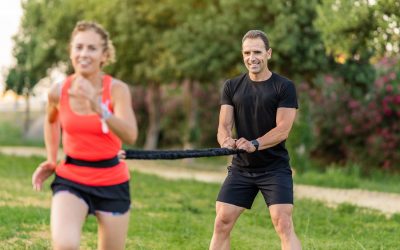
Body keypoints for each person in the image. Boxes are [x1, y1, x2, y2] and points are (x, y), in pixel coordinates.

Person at [32, 21, 138, 250]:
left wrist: (98, 106)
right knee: (65, 245)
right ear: (71, 52)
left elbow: (130, 134)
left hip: (112, 181)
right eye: (78, 47)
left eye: (92, 48)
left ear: (104, 54)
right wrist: (52, 159)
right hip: (71, 178)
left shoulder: (117, 90)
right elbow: (51, 122)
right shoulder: (57, 91)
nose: (84, 54)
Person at [209, 30, 301, 250]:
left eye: (257, 52)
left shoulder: (284, 87)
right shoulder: (232, 86)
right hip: (242, 168)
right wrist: (226, 141)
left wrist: (255, 144)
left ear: (268, 53)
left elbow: (283, 130)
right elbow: (223, 126)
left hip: (274, 168)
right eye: (247, 52)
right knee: (222, 221)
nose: (252, 58)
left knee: (283, 223)